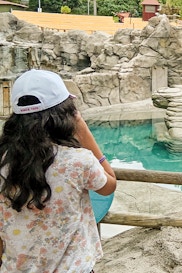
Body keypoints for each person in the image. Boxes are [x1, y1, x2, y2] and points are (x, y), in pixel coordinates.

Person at [0, 69, 117, 272]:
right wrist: (84, 132)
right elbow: (109, 185)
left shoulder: (3, 162)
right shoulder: (78, 161)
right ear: (65, 114)